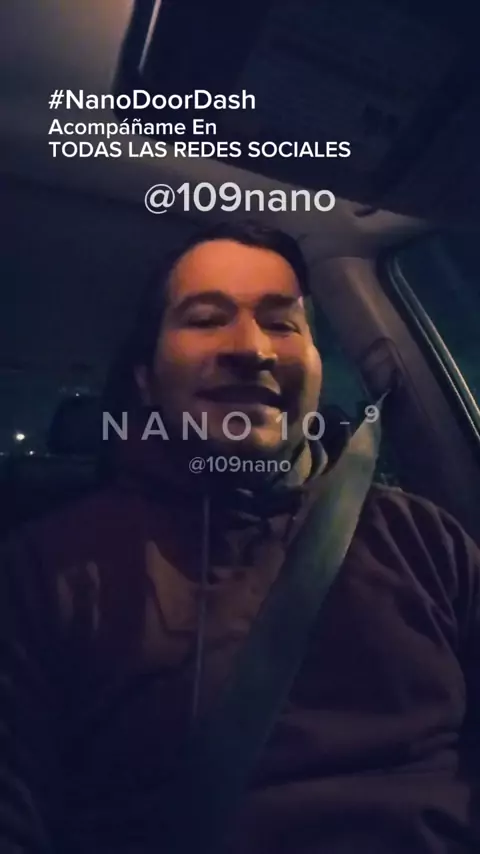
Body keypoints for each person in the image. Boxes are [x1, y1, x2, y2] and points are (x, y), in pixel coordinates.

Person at [0, 220, 479, 854]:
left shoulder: (425, 538)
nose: (252, 348)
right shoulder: (44, 571)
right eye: (205, 319)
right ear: (144, 379)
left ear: (316, 365)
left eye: (282, 323)